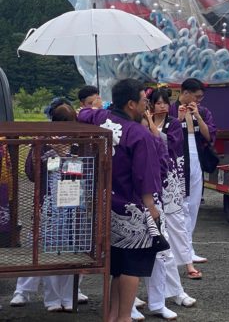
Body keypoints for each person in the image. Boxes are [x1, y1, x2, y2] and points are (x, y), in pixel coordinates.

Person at [78, 78, 163, 322]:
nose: (147, 106)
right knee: (132, 266)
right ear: (131, 104)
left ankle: (113, 316)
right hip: (129, 208)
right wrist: (151, 206)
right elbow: (145, 174)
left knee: (115, 267)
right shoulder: (138, 133)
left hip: (103, 204)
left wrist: (93, 108)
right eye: (144, 101)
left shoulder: (100, 119)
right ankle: (124, 316)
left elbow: (82, 113)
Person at [12, 100, 87, 313]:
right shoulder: (43, 142)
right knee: (50, 250)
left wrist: (65, 155)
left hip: (74, 203)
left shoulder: (79, 142)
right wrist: (48, 152)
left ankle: (68, 296)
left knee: (73, 251)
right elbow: (30, 172)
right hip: (50, 204)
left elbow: (87, 170)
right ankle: (51, 298)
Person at [142, 88, 197, 319]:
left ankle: (183, 276)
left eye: (166, 102)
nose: (163, 106)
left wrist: (151, 126)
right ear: (151, 105)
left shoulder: (174, 123)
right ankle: (158, 293)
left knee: (174, 229)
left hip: (168, 181)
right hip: (149, 186)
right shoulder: (140, 125)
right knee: (152, 243)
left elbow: (170, 146)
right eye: (158, 103)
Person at [168, 78, 217, 270]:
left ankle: (188, 247)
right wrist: (179, 119)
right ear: (185, 93)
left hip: (197, 160)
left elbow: (209, 135)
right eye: (196, 97)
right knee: (178, 206)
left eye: (201, 98)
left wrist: (198, 116)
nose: (198, 101)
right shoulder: (171, 110)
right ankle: (177, 248)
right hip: (177, 161)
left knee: (194, 204)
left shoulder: (203, 111)